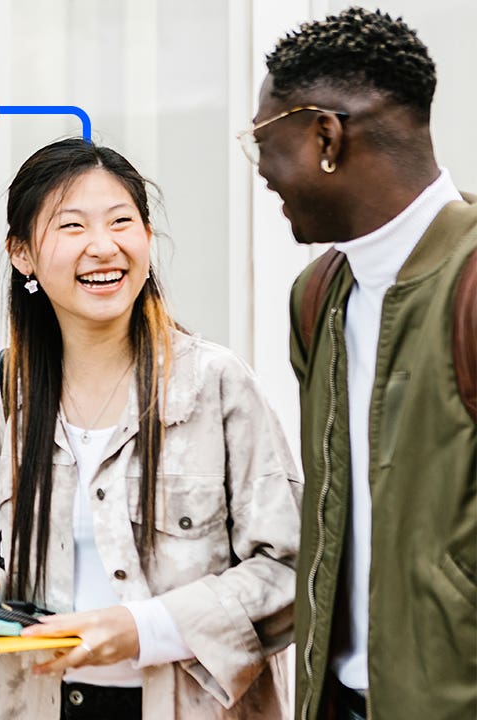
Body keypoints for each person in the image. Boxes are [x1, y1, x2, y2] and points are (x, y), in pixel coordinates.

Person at [0, 138, 301, 719]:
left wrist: (146, 628)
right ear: (22, 255)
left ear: (147, 239)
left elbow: (289, 569)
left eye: (121, 222)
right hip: (38, 701)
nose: (103, 247)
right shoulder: (7, 388)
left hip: (183, 703)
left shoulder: (215, 384)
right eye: (72, 227)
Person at [243, 8, 477, 720]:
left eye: (263, 140)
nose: (260, 172)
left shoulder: (468, 286)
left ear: (325, 137)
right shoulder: (317, 298)